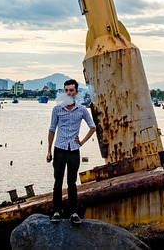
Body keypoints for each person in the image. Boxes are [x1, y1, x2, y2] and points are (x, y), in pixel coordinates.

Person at [46, 79, 96, 224]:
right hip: (59, 149)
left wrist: (82, 141)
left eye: (71, 90)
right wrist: (49, 151)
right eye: (66, 90)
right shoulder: (57, 109)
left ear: (76, 92)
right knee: (58, 181)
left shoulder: (81, 109)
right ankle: (56, 211)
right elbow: (51, 130)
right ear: (63, 91)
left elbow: (92, 127)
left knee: (72, 182)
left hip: (74, 150)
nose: (68, 92)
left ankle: (73, 212)